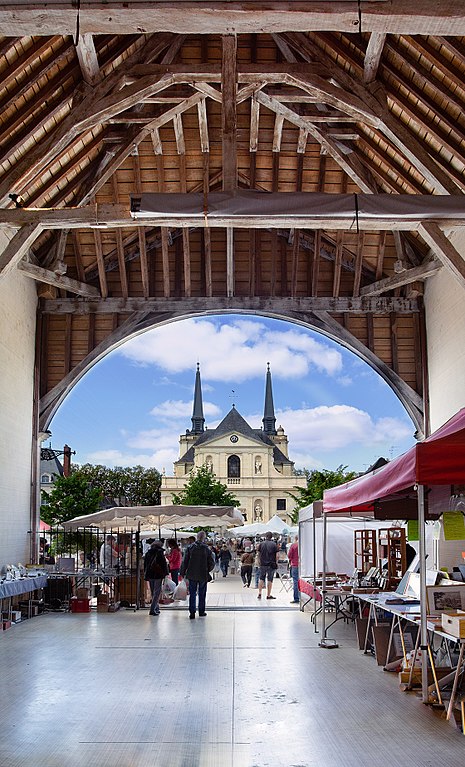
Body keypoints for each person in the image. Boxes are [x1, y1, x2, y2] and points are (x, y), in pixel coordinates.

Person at [180, 530, 215, 619]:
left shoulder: (190, 548)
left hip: (192, 574)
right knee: (202, 593)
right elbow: (212, 562)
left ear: (196, 537)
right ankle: (201, 611)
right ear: (204, 538)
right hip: (203, 574)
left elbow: (185, 561)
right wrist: (207, 570)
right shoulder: (206, 549)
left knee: (192, 593)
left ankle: (192, 612)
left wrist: (182, 572)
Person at [144, 540, 169, 616]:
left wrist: (146, 574)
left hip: (150, 574)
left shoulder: (148, 553)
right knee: (157, 592)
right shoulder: (160, 552)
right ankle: (152, 609)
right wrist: (166, 573)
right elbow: (163, 564)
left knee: (153, 592)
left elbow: (145, 564)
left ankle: (156, 608)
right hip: (158, 574)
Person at [257, 531, 278, 600]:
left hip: (262, 564)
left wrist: (259, 562)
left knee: (261, 578)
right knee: (270, 579)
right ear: (271, 537)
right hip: (271, 564)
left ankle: (259, 593)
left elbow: (258, 554)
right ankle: (268, 595)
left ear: (265, 536)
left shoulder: (261, 544)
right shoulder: (274, 544)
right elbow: (277, 555)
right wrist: (276, 562)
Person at [287, 535, 300, 604]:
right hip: (303, 566)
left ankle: (296, 598)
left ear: (295, 539)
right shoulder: (304, 545)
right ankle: (303, 597)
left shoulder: (294, 545)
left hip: (295, 565)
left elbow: (289, 556)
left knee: (295, 582)